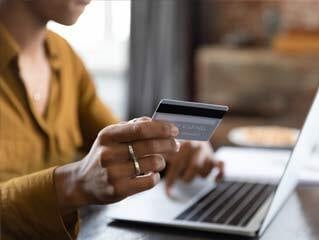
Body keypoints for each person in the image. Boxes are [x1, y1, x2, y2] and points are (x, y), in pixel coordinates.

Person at [0, 0, 224, 239]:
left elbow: (118, 145)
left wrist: (178, 145)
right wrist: (73, 184)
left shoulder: (64, 57)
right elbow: (86, 175)